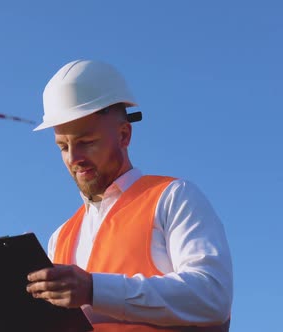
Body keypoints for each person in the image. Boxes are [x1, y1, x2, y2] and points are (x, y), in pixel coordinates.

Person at [25, 60, 233, 331]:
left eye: (86, 142)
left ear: (124, 135)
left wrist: (94, 290)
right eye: (63, 146)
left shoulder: (172, 197)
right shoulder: (60, 238)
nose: (74, 158)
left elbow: (212, 297)